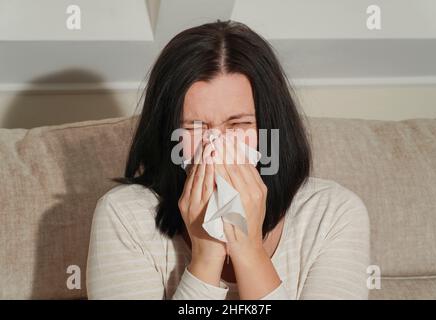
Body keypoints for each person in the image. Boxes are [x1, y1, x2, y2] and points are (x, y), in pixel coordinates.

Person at [86, 20, 370, 300]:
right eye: (196, 126)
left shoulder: (332, 214)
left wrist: (249, 250)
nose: (217, 145)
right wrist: (206, 254)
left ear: (269, 128)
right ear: (168, 133)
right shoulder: (124, 215)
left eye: (238, 125)